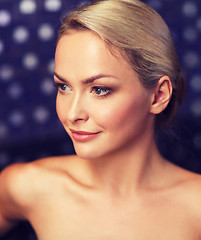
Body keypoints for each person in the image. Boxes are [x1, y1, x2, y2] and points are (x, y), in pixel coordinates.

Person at [1, 0, 201, 239]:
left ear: (158, 96)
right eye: (63, 86)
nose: (72, 113)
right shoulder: (28, 187)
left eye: (99, 89)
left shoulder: (195, 207)